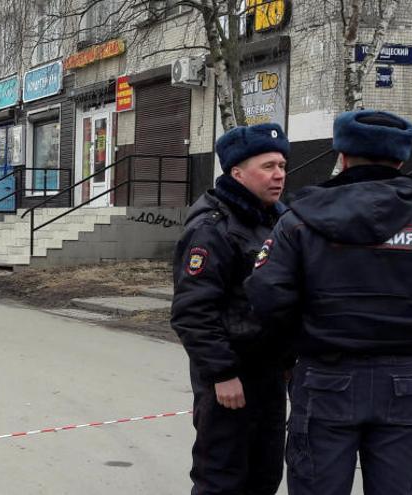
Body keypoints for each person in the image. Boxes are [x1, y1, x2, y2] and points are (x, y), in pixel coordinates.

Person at [245, 110, 412, 495]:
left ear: (342, 156)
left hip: (325, 375)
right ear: (402, 159)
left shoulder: (298, 222)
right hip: (405, 379)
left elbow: (266, 296)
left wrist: (297, 343)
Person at [171, 122, 291, 495]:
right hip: (230, 378)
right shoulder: (213, 228)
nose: (279, 175)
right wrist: (222, 373)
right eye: (268, 166)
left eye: (283, 166)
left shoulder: (277, 221)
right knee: (221, 479)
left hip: (270, 375)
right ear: (237, 172)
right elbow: (192, 310)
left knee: (264, 476)